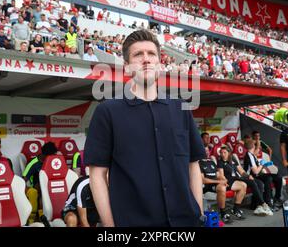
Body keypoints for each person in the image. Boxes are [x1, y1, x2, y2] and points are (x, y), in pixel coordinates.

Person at [84, 30, 206, 227]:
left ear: (159, 63)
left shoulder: (181, 107)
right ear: (126, 67)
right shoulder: (107, 112)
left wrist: (198, 212)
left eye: (151, 54)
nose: (146, 60)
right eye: (138, 55)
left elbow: (193, 165)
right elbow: (97, 175)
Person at [218, 146, 273, 216]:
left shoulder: (232, 159)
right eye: (221, 153)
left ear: (229, 153)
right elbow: (221, 174)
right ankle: (263, 204)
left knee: (254, 182)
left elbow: (241, 171)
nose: (223, 154)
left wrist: (247, 176)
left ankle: (260, 205)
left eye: (224, 152)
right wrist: (224, 180)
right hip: (229, 180)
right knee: (247, 184)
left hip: (237, 178)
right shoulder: (220, 161)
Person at [22, 141, 58, 224]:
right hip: (37, 186)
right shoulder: (33, 163)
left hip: (51, 184)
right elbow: (23, 180)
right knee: (42, 187)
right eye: (52, 156)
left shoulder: (53, 161)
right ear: (45, 155)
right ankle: (42, 216)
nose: (54, 157)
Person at [243, 140, 283, 210]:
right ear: (253, 146)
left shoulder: (252, 155)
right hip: (252, 176)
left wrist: (265, 165)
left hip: (258, 174)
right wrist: (262, 164)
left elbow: (259, 168)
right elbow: (255, 171)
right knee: (268, 179)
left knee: (278, 177)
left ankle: (277, 198)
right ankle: (268, 202)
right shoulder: (249, 156)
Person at [199, 146, 232, 224]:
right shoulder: (199, 163)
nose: (206, 152)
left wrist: (224, 179)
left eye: (207, 150)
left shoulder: (211, 162)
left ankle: (225, 211)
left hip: (215, 184)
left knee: (223, 186)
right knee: (222, 188)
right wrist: (218, 182)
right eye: (204, 150)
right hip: (207, 187)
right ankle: (223, 212)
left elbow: (219, 175)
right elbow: (203, 180)